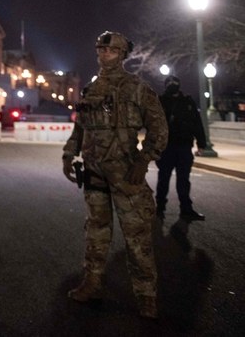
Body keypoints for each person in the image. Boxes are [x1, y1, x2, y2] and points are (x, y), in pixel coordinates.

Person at [62, 31, 167, 319]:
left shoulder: (137, 88)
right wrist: (69, 155)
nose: (103, 55)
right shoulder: (91, 89)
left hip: (125, 173)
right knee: (96, 232)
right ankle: (92, 283)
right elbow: (80, 128)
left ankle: (146, 296)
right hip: (94, 172)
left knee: (137, 237)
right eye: (99, 51)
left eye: (109, 51)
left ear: (121, 54)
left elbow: (159, 130)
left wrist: (144, 161)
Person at [156, 75, 207, 221]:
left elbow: (197, 124)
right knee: (163, 179)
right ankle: (159, 207)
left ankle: (186, 208)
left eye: (175, 83)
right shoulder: (160, 102)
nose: (173, 85)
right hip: (167, 147)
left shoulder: (187, 102)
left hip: (184, 146)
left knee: (183, 180)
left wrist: (201, 144)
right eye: (170, 83)